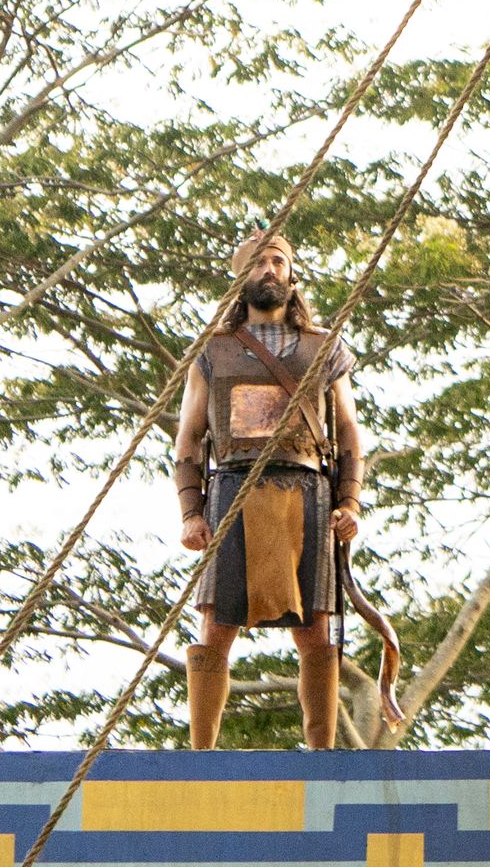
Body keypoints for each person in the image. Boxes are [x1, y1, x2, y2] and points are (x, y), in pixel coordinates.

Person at [174, 231, 369, 748]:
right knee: (216, 625)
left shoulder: (324, 347)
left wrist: (349, 501)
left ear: (291, 273)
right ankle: (202, 756)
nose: (269, 269)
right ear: (241, 279)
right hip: (234, 487)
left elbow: (349, 431)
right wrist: (191, 513)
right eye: (258, 262)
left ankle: (322, 753)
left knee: (316, 629)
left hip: (307, 489)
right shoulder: (211, 353)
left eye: (278, 260)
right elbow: (189, 439)